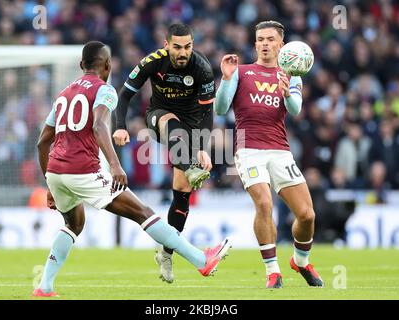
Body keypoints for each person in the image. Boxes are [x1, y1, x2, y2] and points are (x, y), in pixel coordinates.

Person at [32, 41, 231, 297]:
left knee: (73, 224)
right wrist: (115, 165)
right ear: (107, 65)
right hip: (82, 171)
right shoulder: (104, 90)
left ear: (82, 65)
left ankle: (45, 287)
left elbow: (42, 142)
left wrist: (51, 183)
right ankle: (201, 261)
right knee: (143, 213)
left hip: (56, 172)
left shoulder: (63, 94)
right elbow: (99, 126)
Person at [214, 21, 323, 288]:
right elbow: (220, 108)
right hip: (248, 149)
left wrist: (287, 94)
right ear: (255, 44)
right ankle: (272, 271)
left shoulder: (291, 74)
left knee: (307, 215)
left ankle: (300, 260)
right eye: (260, 39)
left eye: (270, 39)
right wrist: (226, 80)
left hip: (280, 151)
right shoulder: (241, 72)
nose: (264, 43)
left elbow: (295, 110)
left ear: (281, 45)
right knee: (264, 203)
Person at [113, 23, 215, 283]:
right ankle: (191, 165)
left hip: (191, 127)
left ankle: (167, 253)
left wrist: (202, 146)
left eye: (188, 47)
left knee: (181, 196)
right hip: (159, 119)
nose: (183, 53)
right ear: (166, 44)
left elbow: (207, 112)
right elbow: (124, 97)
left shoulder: (202, 68)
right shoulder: (152, 62)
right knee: (172, 124)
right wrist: (121, 128)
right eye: (178, 47)